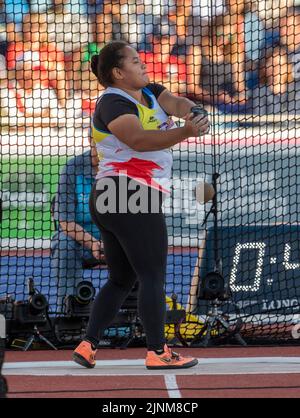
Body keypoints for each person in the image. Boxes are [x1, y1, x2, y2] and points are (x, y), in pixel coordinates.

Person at [72, 40, 209, 370]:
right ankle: (158, 351)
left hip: (114, 196)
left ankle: (88, 345)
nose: (143, 64)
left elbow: (175, 102)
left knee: (122, 279)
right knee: (153, 276)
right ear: (118, 73)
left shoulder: (150, 92)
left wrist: (193, 111)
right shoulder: (112, 103)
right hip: (128, 193)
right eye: (135, 61)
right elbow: (139, 140)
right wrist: (186, 132)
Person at [51, 138, 104, 312]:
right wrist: (94, 244)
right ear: (91, 141)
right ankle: (69, 312)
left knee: (138, 243)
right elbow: (65, 222)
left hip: (113, 239)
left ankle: (135, 317)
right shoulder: (72, 168)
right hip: (79, 241)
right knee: (64, 244)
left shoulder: (122, 167)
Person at [250, 46, 299, 114]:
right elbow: (258, 121)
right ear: (265, 68)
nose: (276, 69)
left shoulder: (297, 91)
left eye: (280, 65)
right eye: (272, 65)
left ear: (287, 68)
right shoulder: (258, 92)